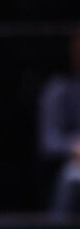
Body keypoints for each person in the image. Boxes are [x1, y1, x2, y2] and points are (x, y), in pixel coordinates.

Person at [38, 29, 80, 217]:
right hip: (73, 167)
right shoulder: (58, 90)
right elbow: (49, 142)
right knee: (71, 176)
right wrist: (74, 147)